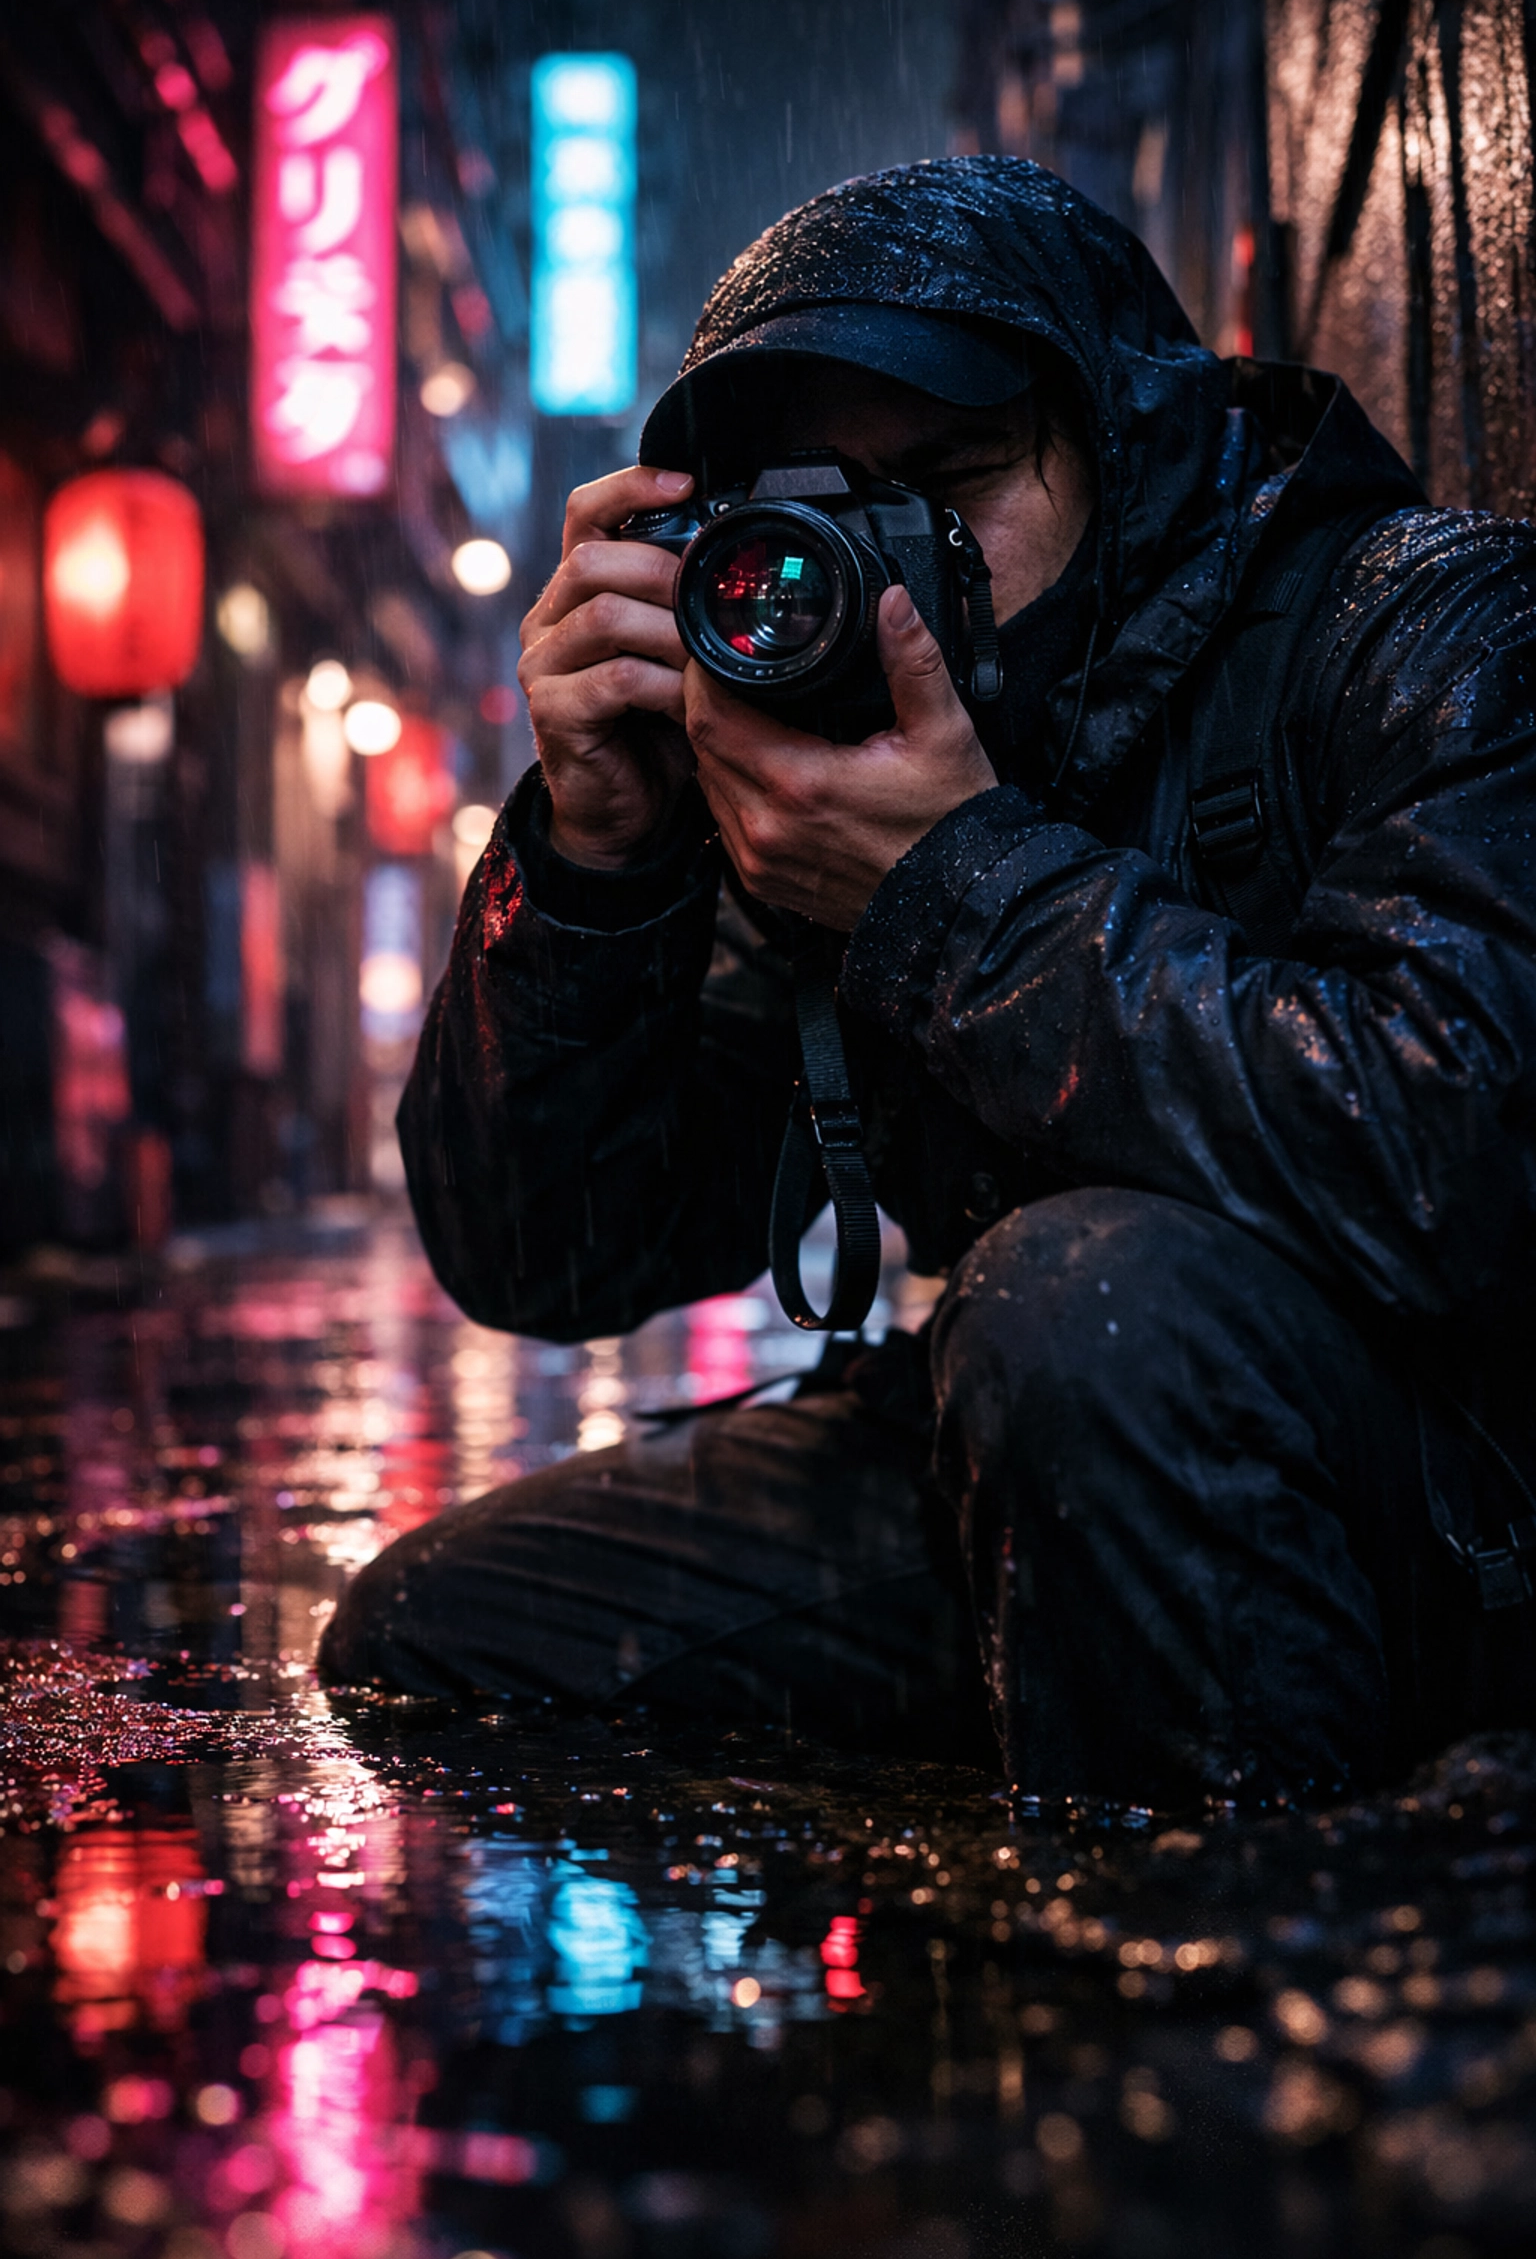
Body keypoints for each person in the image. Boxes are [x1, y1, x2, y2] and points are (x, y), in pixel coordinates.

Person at [322, 157, 1536, 1804]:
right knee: (444, 1631)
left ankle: (1233, 1973)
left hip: (1452, 1492)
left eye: (952, 483)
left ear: (1122, 442)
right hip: (1048, 1440)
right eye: (827, 510)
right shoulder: (816, 782)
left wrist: (941, 889)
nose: (892, 573)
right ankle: (1086, 1680)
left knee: (1082, 1307)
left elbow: (1442, 1154)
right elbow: (547, 1254)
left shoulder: (1427, 624)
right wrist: (597, 862)